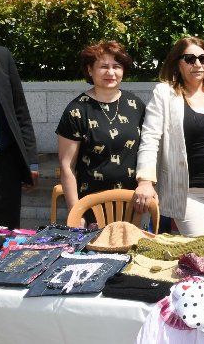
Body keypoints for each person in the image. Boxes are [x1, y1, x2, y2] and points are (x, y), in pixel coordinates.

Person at [135, 37, 204, 237]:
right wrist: (145, 180)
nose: (197, 64)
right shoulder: (164, 93)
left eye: (203, 59)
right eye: (190, 59)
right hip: (187, 192)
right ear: (177, 63)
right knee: (199, 250)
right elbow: (150, 138)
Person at [57, 41, 145, 227]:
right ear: (90, 70)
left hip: (130, 204)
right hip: (91, 206)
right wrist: (76, 212)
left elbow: (148, 149)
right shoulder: (77, 110)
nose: (111, 73)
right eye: (104, 66)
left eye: (117, 67)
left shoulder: (135, 105)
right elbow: (67, 167)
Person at [0, 42, 38, 229]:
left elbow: (20, 112)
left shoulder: (0, 55)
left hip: (3, 168)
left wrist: (31, 162)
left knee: (5, 241)